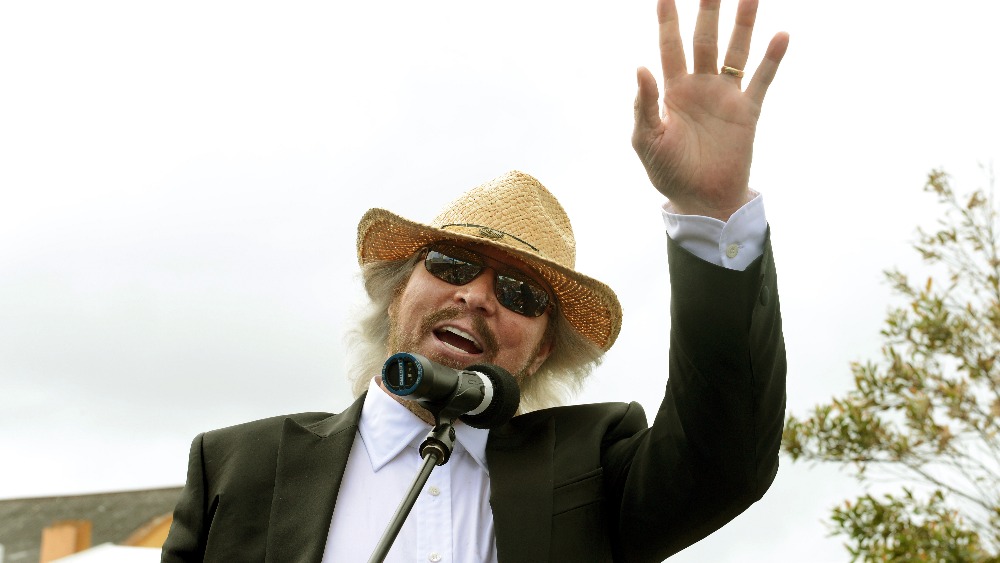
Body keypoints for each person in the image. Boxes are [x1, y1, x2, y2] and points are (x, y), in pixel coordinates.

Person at [161, 0, 789, 560]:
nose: (478, 295)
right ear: (397, 293)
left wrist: (710, 212)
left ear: (541, 349)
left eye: (519, 294)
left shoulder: (592, 467)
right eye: (453, 265)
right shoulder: (238, 469)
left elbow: (724, 459)